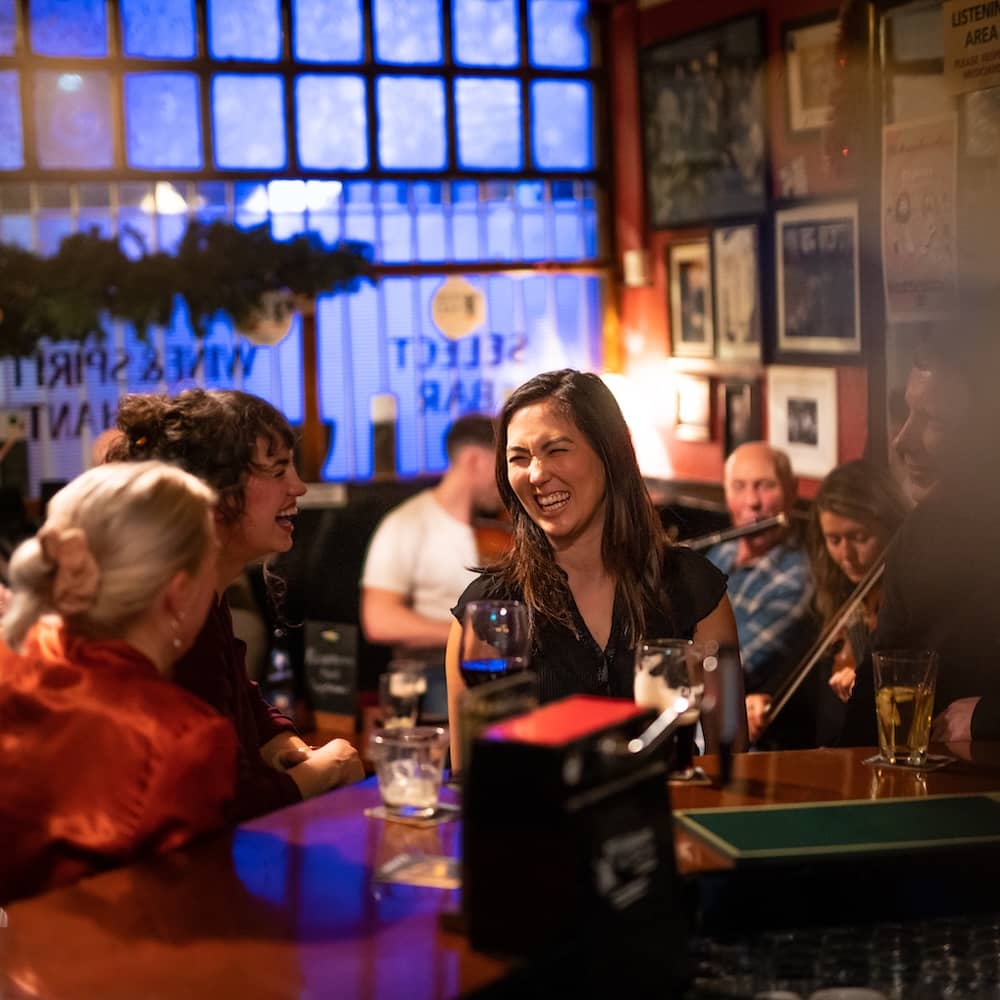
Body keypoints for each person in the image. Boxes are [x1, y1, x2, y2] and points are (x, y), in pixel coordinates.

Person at [445, 369, 746, 771]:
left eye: (556, 450)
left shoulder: (691, 587)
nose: (536, 474)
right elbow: (471, 781)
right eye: (519, 458)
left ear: (609, 454)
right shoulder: (488, 609)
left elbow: (732, 759)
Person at [109, 389, 363, 821]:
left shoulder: (206, 592)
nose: (299, 486)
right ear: (214, 491)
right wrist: (326, 768)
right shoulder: (168, 611)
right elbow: (212, 804)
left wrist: (282, 741)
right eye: (279, 469)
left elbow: (236, 692)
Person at [0, 462, 236, 902]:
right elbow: (181, 920)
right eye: (213, 561)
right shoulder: (180, 739)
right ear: (178, 593)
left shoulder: (13, 655)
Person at [361, 414, 500, 717]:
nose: (506, 478)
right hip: (430, 674)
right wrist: (467, 636)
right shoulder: (406, 523)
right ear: (475, 460)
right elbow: (379, 620)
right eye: (501, 463)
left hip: (494, 670)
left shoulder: (499, 527)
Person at [705, 442, 814, 744]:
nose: (752, 502)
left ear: (792, 491)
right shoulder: (719, 553)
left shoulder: (795, 578)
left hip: (742, 747)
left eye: (765, 486)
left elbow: (724, 671)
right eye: (739, 486)